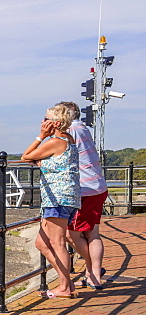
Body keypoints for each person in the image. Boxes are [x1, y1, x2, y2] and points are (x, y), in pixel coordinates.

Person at [20, 103, 80, 298]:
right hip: (62, 197)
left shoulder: (55, 141)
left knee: (57, 243)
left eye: (46, 119)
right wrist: (41, 159)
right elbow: (41, 158)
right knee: (41, 243)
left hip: (58, 198)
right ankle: (67, 283)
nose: (42, 122)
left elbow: (25, 156)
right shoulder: (68, 139)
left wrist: (41, 136)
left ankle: (64, 287)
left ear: (55, 123)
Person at [58, 101, 108, 289]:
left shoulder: (70, 132)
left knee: (72, 234)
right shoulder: (83, 128)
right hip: (97, 186)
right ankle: (93, 273)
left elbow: (55, 154)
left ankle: (94, 272)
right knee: (93, 233)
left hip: (84, 190)